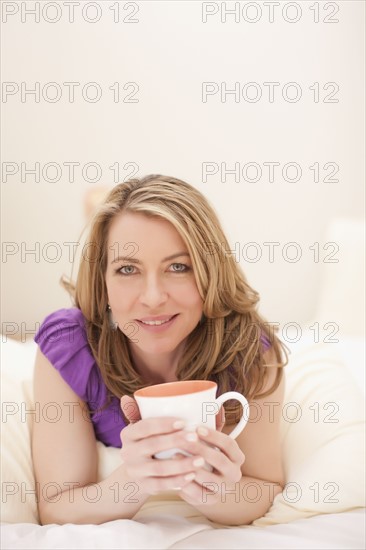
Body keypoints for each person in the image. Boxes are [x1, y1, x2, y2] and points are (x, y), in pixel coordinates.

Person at [32, 174, 289, 526]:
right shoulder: (68, 347)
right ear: (102, 282)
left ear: (210, 273)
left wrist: (213, 489)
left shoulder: (252, 352)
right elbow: (56, 507)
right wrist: (134, 481)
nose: (152, 298)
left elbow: (265, 486)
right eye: (127, 269)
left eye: (178, 267)